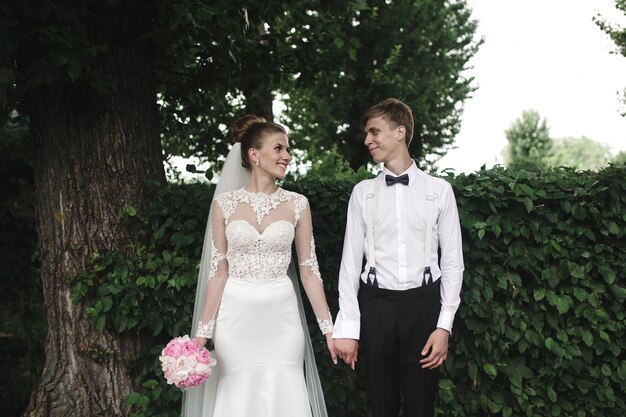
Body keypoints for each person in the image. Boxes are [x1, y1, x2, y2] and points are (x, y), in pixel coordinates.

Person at [182, 115, 336, 417]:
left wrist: (328, 329)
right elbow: (218, 272)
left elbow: (308, 270)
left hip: (282, 319)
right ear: (254, 155)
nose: (287, 156)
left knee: (285, 389)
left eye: (287, 149)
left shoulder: (298, 204)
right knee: (238, 394)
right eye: (279, 148)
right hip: (236, 319)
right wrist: (201, 335)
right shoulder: (224, 205)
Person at [332, 98, 464, 417]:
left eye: (375, 132)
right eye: (367, 133)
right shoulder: (363, 193)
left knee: (422, 406)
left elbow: (452, 263)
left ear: (400, 132)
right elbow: (350, 265)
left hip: (423, 305)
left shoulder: (440, 190)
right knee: (381, 406)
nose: (367, 140)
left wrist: (443, 326)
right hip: (376, 307)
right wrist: (347, 328)